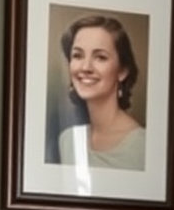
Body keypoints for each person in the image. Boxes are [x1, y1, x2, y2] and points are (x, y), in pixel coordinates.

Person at [57, 14, 146, 171]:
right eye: (77, 55)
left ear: (122, 71)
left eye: (100, 57)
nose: (85, 67)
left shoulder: (143, 146)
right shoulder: (68, 141)